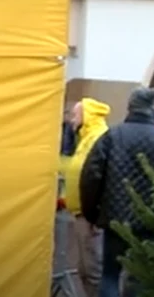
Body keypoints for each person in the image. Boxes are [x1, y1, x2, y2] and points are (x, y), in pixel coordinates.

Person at [80, 87, 154, 297]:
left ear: (130, 107)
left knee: (110, 276)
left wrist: (91, 213)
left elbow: (91, 176)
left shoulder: (111, 137)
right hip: (151, 222)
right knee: (141, 277)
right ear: (153, 109)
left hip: (115, 220)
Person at [60, 97, 111, 297]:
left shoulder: (97, 140)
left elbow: (99, 179)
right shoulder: (86, 139)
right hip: (82, 213)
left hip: (90, 217)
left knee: (92, 269)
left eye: (75, 115)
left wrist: (95, 214)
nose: (72, 119)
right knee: (83, 268)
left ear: (86, 116)